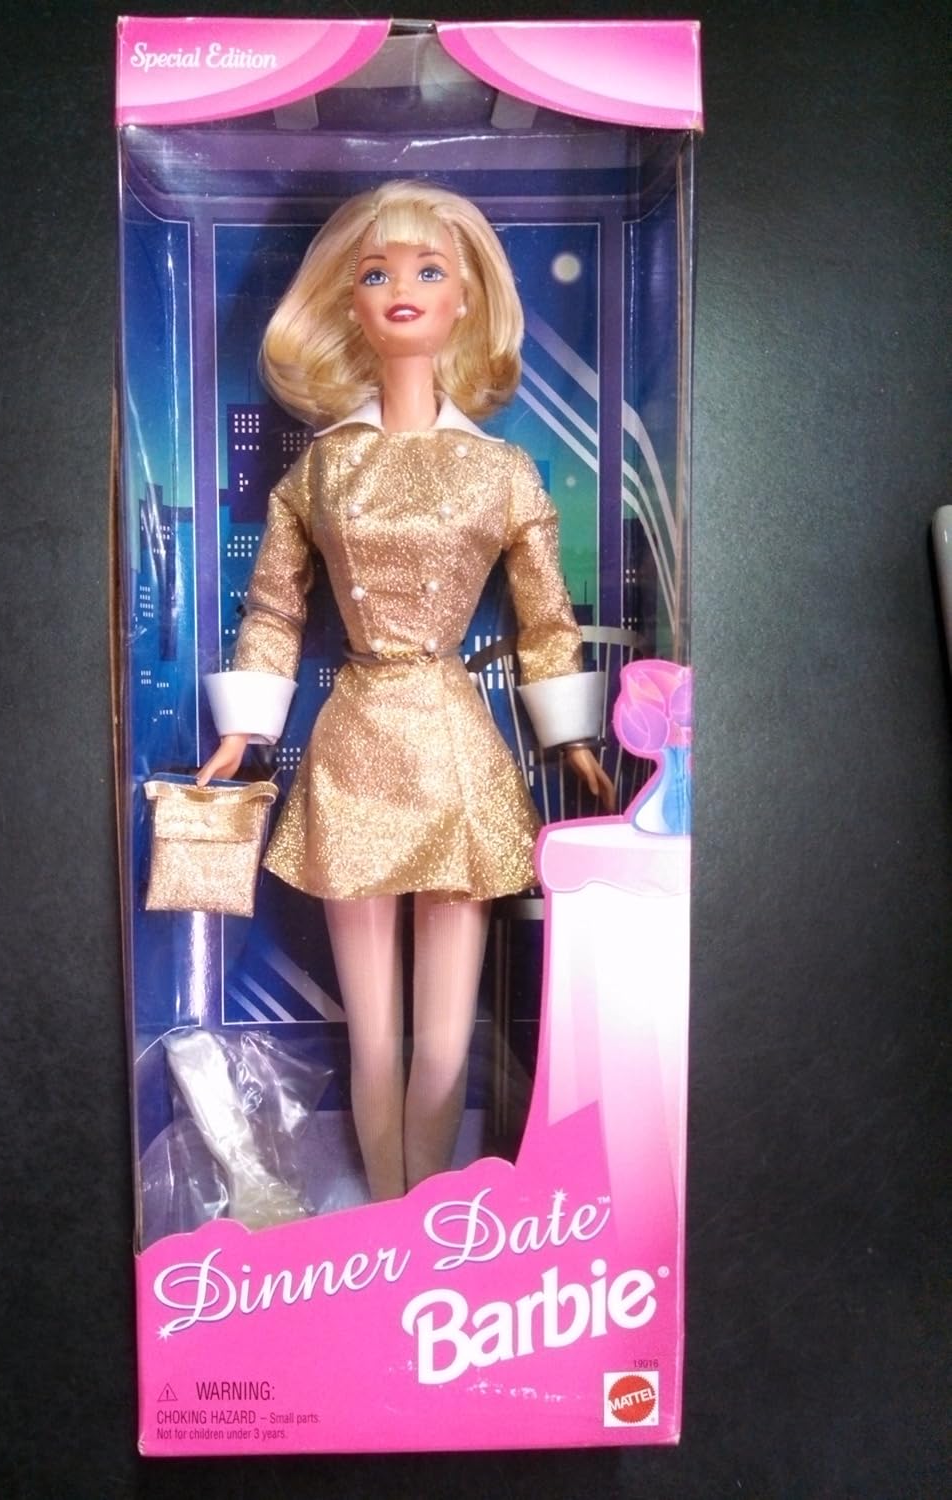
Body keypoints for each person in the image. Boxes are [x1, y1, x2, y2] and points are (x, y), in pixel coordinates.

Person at [199, 181, 613, 1201]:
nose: (402, 289)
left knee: (446, 1033)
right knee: (373, 1032)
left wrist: (572, 737)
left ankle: (427, 1208)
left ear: (464, 300)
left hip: (457, 748)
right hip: (353, 743)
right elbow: (274, 607)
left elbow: (544, 619)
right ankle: (386, 1215)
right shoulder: (323, 471)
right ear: (348, 302)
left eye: (429, 270)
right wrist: (245, 729)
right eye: (377, 272)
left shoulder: (500, 471)